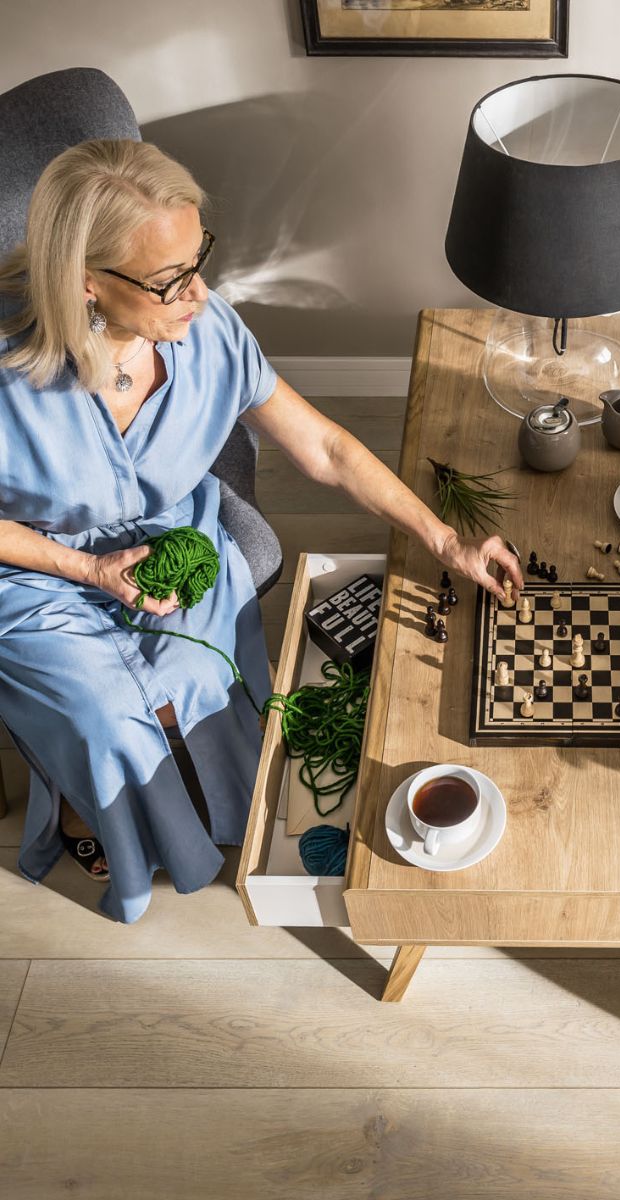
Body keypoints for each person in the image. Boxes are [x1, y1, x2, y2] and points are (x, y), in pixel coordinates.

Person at [0, 139, 522, 924]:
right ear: (87, 283)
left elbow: (327, 448)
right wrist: (86, 570)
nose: (199, 293)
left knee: (200, 684)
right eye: (169, 278)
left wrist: (444, 539)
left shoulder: (205, 332)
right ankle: (86, 809)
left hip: (176, 540)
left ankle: (209, 810)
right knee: (105, 712)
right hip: (37, 566)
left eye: (198, 258)